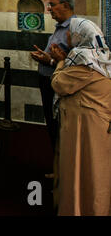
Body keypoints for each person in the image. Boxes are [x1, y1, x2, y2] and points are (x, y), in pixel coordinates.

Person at [49, 18, 111, 216]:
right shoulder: (101, 56)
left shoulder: (85, 61)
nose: (67, 35)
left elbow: (59, 84)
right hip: (95, 124)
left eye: (70, 33)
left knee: (84, 171)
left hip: (85, 128)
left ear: (80, 36)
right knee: (94, 171)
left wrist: (59, 62)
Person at [30, 0, 76, 156]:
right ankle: (59, 166)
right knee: (52, 123)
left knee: (59, 126)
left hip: (58, 85)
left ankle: (64, 169)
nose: (49, 9)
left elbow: (75, 64)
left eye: (52, 4)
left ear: (65, 5)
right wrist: (46, 56)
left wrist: (48, 61)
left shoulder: (74, 29)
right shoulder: (61, 27)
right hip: (49, 81)